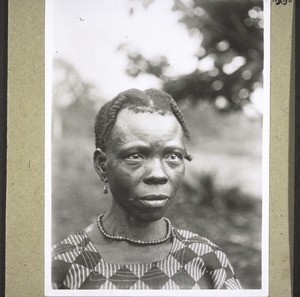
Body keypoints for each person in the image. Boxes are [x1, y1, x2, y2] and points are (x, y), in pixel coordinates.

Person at [51, 88, 242, 290]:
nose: (158, 174)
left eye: (172, 156)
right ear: (101, 165)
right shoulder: (62, 265)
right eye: (135, 156)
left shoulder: (207, 259)